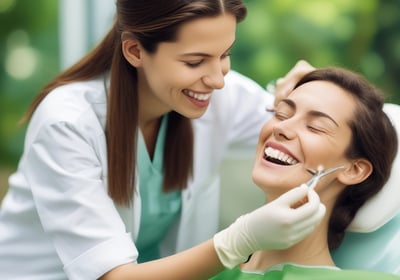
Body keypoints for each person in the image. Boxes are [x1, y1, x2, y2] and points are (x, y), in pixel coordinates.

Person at [0, 1, 325, 279]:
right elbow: (113, 275)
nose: (216, 79)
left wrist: (313, 93)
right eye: (194, 62)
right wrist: (239, 240)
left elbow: (321, 129)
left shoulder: (216, 97)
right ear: (135, 50)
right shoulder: (67, 123)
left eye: (225, 54)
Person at [210, 67, 399, 279]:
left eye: (315, 127)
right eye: (280, 114)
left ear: (354, 170)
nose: (281, 128)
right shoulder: (202, 271)